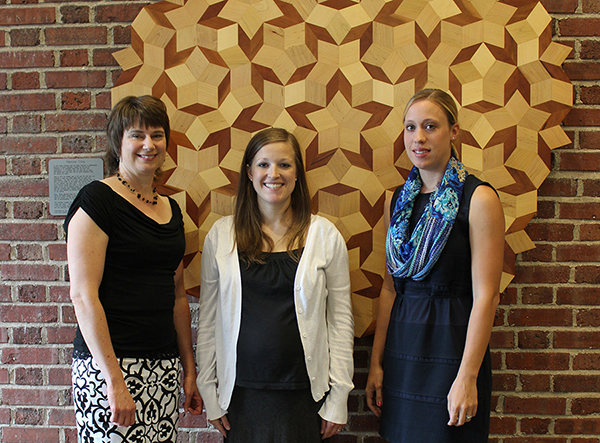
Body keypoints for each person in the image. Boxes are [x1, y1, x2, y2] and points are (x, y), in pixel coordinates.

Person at [196, 127, 355, 442]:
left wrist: (339, 398)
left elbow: (340, 321)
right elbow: (209, 320)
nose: (274, 174)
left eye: (284, 164)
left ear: (297, 174)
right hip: (240, 394)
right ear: (250, 172)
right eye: (263, 164)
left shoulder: (324, 235)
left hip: (305, 394)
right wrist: (209, 393)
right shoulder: (221, 235)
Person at [365, 89, 504, 442]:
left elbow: (486, 296)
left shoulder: (479, 198)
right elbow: (390, 286)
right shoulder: (396, 200)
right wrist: (376, 363)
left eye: (430, 126)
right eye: (410, 128)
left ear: (454, 131)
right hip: (403, 352)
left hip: (452, 351)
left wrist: (468, 376)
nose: (419, 138)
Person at [65, 95, 202, 443]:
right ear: (118, 142)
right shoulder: (97, 200)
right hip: (110, 368)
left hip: (163, 367)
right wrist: (113, 381)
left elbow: (177, 297)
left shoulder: (171, 209)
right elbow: (83, 295)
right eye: (136, 134)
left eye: (157, 134)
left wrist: (188, 370)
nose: (148, 144)